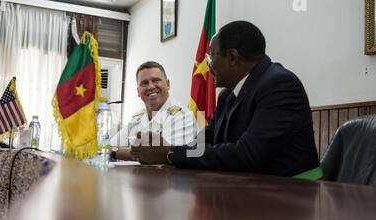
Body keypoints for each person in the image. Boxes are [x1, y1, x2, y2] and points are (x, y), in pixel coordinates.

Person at [131, 21, 321, 178]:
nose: (208, 65)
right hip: (251, 189)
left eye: (211, 56)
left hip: (296, 193)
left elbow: (248, 155)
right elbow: (200, 145)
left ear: (232, 56)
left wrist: (169, 153)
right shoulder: (227, 95)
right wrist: (161, 148)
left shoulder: (280, 84)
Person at [110, 61, 198, 161]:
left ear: (168, 84)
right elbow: (110, 146)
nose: (151, 87)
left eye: (156, 80)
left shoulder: (182, 116)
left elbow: (157, 155)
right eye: (144, 83)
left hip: (169, 176)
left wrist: (114, 152)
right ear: (138, 92)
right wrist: (114, 150)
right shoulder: (138, 118)